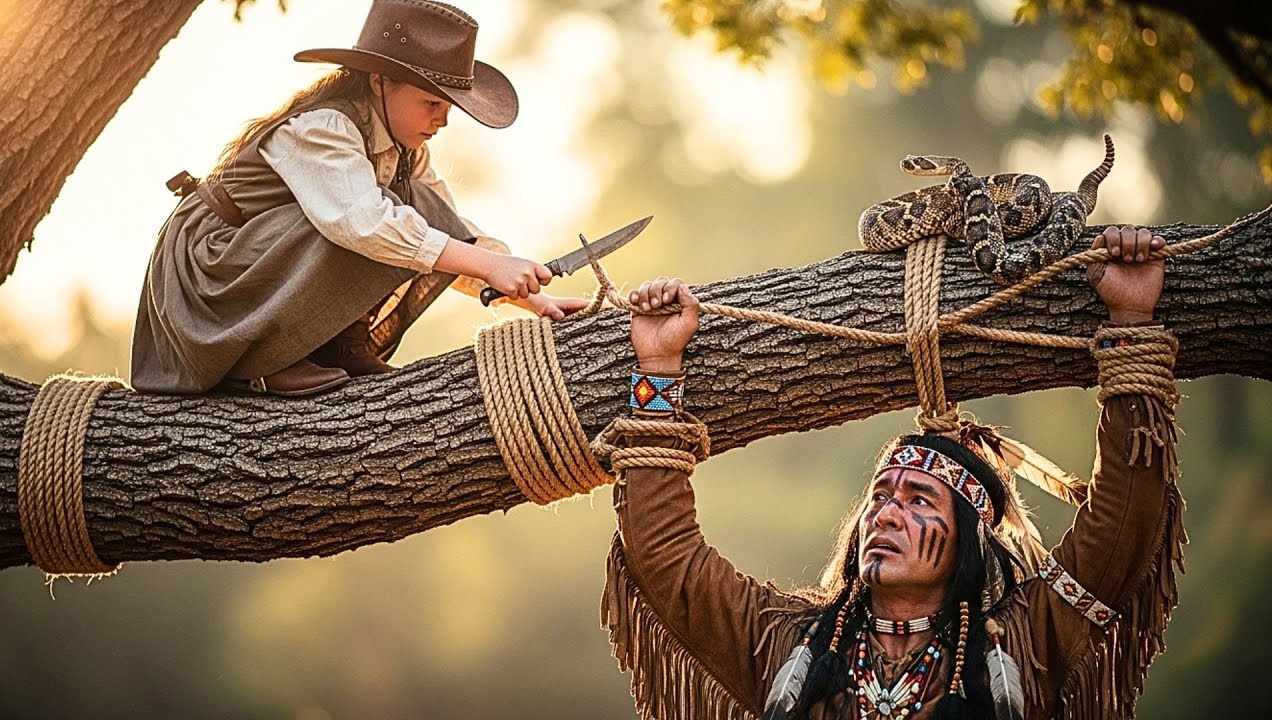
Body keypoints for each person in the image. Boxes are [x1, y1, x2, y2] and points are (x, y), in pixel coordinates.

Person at [598, 225, 1182, 720]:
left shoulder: (1023, 642)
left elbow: (1122, 523)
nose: (886, 514)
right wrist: (658, 367)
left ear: (967, 542)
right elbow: (666, 558)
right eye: (881, 496)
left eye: (920, 500)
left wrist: (1131, 319)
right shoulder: (786, 642)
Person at [131, 0, 586, 396]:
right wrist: (488, 266)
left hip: (258, 262)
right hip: (213, 275)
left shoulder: (405, 151)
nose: (442, 121)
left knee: (419, 210)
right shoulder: (321, 128)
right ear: (380, 82)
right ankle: (261, 358)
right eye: (432, 104)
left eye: (448, 108)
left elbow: (448, 229)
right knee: (364, 219)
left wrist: (527, 297)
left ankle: (338, 346)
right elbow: (361, 222)